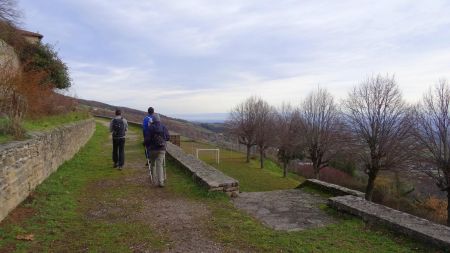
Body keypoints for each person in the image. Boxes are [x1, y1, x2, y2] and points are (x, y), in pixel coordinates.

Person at [144, 113, 170, 187]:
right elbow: (168, 137)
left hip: (152, 149)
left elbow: (147, 139)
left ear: (153, 120)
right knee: (160, 165)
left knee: (152, 164)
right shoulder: (163, 127)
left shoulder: (150, 128)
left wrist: (145, 144)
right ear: (159, 119)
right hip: (161, 148)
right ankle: (161, 181)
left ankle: (153, 179)